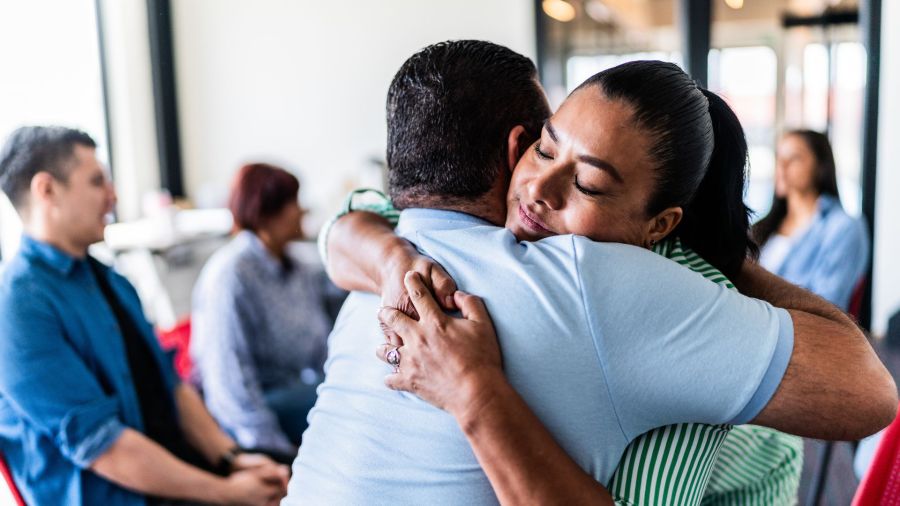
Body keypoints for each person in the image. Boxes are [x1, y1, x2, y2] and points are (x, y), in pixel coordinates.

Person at [283, 41, 895, 505]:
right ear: (519, 143)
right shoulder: (404, 247)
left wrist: (715, 254)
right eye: (546, 150)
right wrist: (390, 261)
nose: (541, 191)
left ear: (660, 226)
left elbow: (349, 224)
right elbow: (867, 394)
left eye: (590, 183)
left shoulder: (407, 235)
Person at [0, 126, 289, 506]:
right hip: (120, 496)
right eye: (97, 181)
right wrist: (226, 493)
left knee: (296, 478)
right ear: (47, 190)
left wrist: (233, 459)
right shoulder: (17, 308)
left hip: (174, 473)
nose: (113, 195)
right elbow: (104, 447)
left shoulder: (111, 281)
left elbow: (172, 386)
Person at [191, 163, 343, 459]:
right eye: (293, 203)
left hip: (296, 391)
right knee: (340, 405)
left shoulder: (299, 267)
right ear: (267, 211)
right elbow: (228, 385)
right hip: (252, 415)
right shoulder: (231, 275)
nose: (302, 211)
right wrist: (276, 453)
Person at [754, 129, 869, 310]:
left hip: (796, 332)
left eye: (795, 158)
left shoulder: (843, 227)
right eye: (779, 158)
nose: (782, 166)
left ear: (820, 166)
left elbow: (827, 304)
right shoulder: (764, 226)